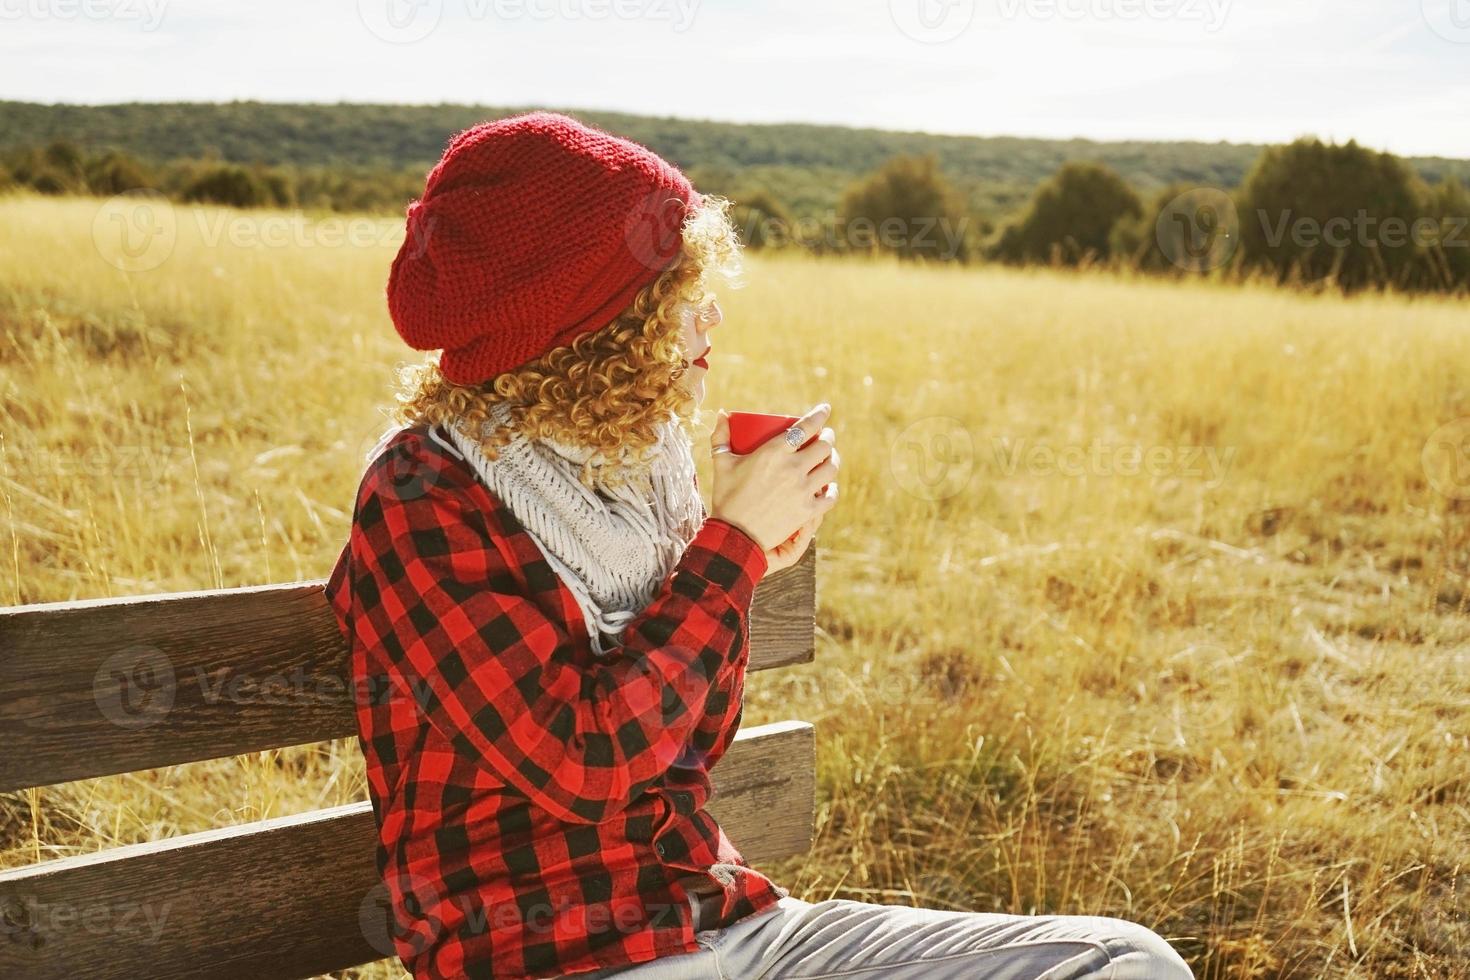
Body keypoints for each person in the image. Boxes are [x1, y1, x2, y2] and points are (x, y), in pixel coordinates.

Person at [325, 111, 1192, 980]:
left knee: (1123, 962)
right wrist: (729, 552)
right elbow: (587, 762)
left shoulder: (639, 469)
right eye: (676, 299)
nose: (709, 324)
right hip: (565, 952)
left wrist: (741, 561)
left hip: (732, 924)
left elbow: (692, 744)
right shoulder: (421, 496)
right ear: (594, 323)